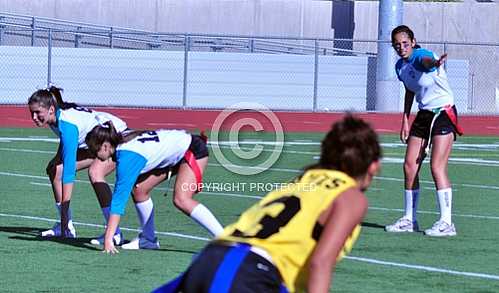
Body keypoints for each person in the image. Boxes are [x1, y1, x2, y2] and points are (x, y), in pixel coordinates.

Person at [152, 114, 382, 293]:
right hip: (248, 271)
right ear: (373, 165)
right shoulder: (351, 196)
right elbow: (320, 263)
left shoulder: (302, 181)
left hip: (212, 259)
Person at [84, 123, 224, 252]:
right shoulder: (122, 142)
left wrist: (109, 239)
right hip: (178, 152)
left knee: (182, 199)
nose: (92, 155)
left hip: (192, 149)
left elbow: (118, 201)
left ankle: (227, 240)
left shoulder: (127, 157)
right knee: (139, 190)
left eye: (94, 150)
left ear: (106, 146)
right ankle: (148, 239)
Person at [385, 25, 463, 237]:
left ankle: (447, 223)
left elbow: (425, 62)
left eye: (405, 43)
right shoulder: (400, 66)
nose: (401, 47)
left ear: (413, 41)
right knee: (410, 166)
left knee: (437, 167)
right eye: (397, 45)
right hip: (423, 114)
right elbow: (411, 89)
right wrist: (405, 119)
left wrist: (436, 64)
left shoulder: (422, 55)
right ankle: (409, 219)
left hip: (443, 113)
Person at [28, 85, 128, 244]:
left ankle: (114, 233)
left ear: (51, 109)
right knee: (55, 170)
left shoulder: (67, 125)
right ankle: (66, 227)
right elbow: (66, 145)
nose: (33, 117)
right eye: (31, 112)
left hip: (118, 138)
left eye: (37, 112)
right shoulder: (57, 119)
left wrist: (65, 208)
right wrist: (57, 158)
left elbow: (69, 172)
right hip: (97, 142)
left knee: (96, 173)